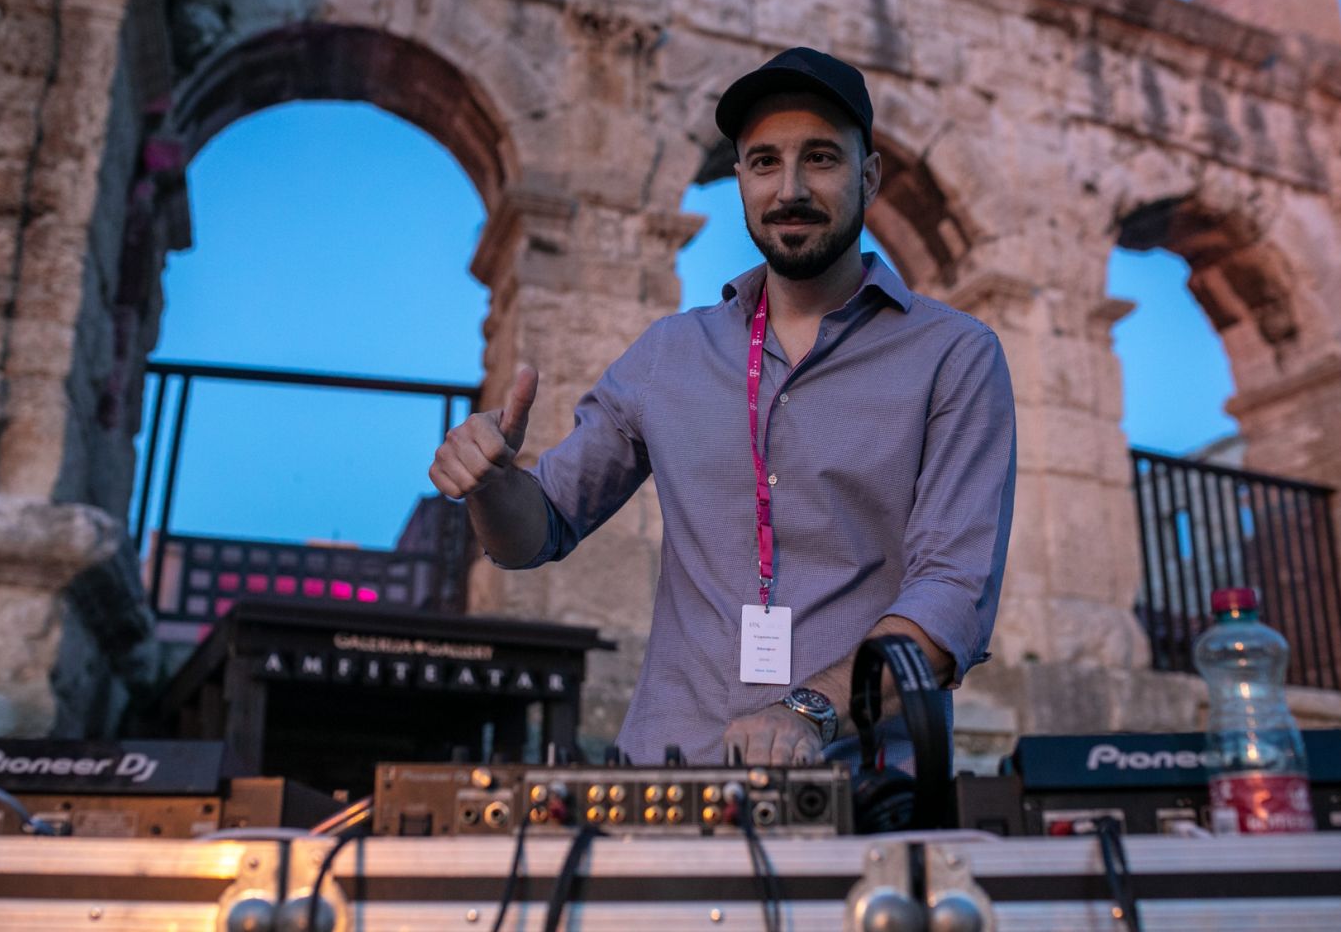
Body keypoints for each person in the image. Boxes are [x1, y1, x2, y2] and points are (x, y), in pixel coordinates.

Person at [429, 47, 1016, 767]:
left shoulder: (955, 354)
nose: (790, 189)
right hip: (666, 779)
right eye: (765, 162)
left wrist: (810, 710)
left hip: (863, 792)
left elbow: (953, 595)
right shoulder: (669, 352)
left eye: (821, 158)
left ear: (868, 177)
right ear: (740, 179)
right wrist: (492, 486)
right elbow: (536, 532)